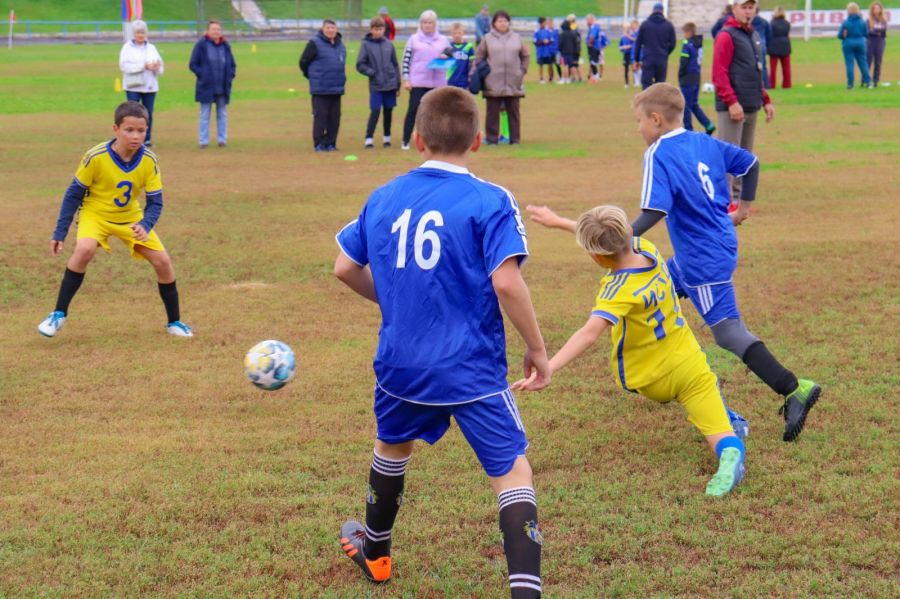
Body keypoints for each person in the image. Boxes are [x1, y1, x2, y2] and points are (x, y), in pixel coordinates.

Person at [335, 86, 549, 597]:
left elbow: (344, 267)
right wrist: (538, 349)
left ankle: (377, 554)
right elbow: (505, 281)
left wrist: (396, 304)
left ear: (416, 138)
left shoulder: (383, 195)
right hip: (470, 365)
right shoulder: (491, 199)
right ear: (478, 140)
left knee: (392, 444)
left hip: (401, 363)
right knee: (512, 472)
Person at [526, 84, 822, 443]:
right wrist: (742, 208)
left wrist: (617, 246)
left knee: (728, 334)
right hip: (710, 247)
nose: (638, 129)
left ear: (655, 119)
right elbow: (751, 163)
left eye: (638, 121)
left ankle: (793, 387)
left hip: (702, 260)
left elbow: (654, 210)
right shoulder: (704, 141)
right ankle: (657, 370)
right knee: (651, 285)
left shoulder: (658, 152)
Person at [514, 206, 746, 497]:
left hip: (651, 378)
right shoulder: (647, 249)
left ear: (596, 257)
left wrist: (548, 367)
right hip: (690, 360)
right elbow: (610, 238)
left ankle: (724, 418)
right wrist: (559, 220)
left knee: (686, 395)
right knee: (717, 431)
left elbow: (588, 334)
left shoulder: (618, 289)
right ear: (629, 232)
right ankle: (729, 450)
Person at [38, 101, 192, 338]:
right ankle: (58, 314)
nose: (136, 136)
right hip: (95, 214)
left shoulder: (150, 160)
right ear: (115, 129)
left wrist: (144, 225)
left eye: (141, 130)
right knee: (85, 249)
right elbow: (73, 195)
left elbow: (156, 202)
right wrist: (60, 232)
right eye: (129, 130)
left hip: (131, 218)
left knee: (162, 261)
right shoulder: (95, 157)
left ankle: (175, 322)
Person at [712, 0, 773, 203]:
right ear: (734, 9)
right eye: (744, 7)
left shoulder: (753, 35)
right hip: (733, 107)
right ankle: (724, 200)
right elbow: (719, 74)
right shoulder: (726, 36)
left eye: (751, 7)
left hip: (750, 103)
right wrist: (731, 102)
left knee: (745, 157)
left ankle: (737, 201)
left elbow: (757, 71)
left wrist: (765, 99)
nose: (748, 11)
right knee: (729, 155)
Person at [476, 10, 530, 145]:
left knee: (514, 112)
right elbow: (479, 57)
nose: (503, 23)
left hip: (513, 80)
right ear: (494, 23)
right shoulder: (487, 38)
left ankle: (515, 139)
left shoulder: (516, 37)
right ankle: (492, 139)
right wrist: (484, 72)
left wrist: (522, 71)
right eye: (500, 21)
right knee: (492, 112)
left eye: (505, 21)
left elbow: (525, 55)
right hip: (493, 81)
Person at [401, 10, 449, 151]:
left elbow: (451, 54)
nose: (427, 25)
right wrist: (406, 79)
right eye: (424, 22)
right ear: (421, 24)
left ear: (435, 24)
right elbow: (406, 60)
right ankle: (405, 140)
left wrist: (446, 56)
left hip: (437, 82)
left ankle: (436, 140)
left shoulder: (443, 40)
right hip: (418, 81)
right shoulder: (413, 39)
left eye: (430, 22)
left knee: (437, 112)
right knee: (414, 110)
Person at [300, 19, 347, 152]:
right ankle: (319, 144)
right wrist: (312, 76)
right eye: (328, 28)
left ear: (336, 29)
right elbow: (303, 61)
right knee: (320, 117)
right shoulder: (314, 43)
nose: (330, 30)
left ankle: (331, 143)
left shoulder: (340, 45)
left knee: (334, 118)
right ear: (323, 29)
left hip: (336, 87)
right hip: (320, 88)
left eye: (333, 28)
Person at [188, 20, 236, 149]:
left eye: (218, 29)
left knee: (222, 114)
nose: (216, 32)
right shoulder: (201, 45)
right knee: (204, 114)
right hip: (206, 86)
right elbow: (193, 64)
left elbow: (232, 64)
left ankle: (222, 139)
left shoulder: (225, 45)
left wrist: (230, 76)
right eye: (214, 29)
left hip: (222, 86)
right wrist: (203, 75)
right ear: (208, 31)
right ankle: (203, 141)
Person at [357, 16, 400, 149]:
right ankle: (369, 138)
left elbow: (395, 64)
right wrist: (372, 72)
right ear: (371, 30)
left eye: (381, 29)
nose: (378, 32)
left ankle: (387, 137)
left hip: (390, 85)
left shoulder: (389, 44)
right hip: (376, 85)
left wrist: (397, 84)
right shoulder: (366, 44)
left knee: (388, 112)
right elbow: (360, 64)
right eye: (376, 29)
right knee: (375, 111)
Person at [119, 20, 163, 147]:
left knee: (148, 113)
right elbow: (124, 66)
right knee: (132, 113)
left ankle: (147, 139)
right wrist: (142, 66)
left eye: (142, 32)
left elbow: (161, 68)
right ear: (134, 33)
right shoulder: (127, 48)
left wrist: (156, 66)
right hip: (133, 85)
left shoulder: (152, 48)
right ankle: (130, 138)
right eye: (138, 32)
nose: (140, 35)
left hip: (149, 86)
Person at [679, 22, 715, 134]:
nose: (683, 35)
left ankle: (688, 130)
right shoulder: (698, 44)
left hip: (688, 78)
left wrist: (680, 74)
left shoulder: (687, 44)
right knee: (693, 104)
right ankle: (708, 124)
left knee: (686, 105)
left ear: (689, 32)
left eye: (684, 32)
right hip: (696, 77)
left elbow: (684, 62)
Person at [634, 3, 677, 89]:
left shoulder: (645, 24)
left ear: (652, 11)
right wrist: (665, 52)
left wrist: (637, 59)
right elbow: (673, 43)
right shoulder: (668, 25)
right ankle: (659, 102)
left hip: (648, 57)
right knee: (660, 85)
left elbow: (638, 43)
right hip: (661, 58)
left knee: (646, 84)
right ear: (662, 11)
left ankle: (646, 102)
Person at [838, 3, 872, 89]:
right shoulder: (862, 21)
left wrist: (844, 36)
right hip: (860, 42)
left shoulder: (845, 22)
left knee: (850, 64)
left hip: (848, 42)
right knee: (863, 63)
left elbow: (840, 35)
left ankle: (850, 84)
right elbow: (866, 33)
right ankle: (868, 82)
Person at [442, 23, 475, 89]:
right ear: (451, 34)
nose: (457, 35)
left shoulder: (469, 47)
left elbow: (473, 64)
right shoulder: (448, 46)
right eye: (455, 33)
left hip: (464, 80)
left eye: (459, 33)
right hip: (451, 80)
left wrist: (471, 77)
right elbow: (443, 61)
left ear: (463, 33)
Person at [768, 6, 792, 88]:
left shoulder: (772, 23)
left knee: (773, 68)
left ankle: (772, 84)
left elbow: (770, 34)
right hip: (785, 45)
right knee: (786, 68)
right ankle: (787, 84)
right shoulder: (787, 23)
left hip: (774, 45)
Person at [867, 2, 887, 87]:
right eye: (874, 8)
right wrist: (877, 33)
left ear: (880, 10)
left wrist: (876, 32)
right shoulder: (868, 20)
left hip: (880, 42)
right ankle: (865, 80)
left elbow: (884, 33)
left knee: (878, 62)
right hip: (870, 42)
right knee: (868, 61)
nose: (876, 10)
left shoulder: (883, 20)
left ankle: (876, 80)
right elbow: (868, 32)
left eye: (878, 8)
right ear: (872, 10)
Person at [752, 5, 772, 89]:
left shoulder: (749, 21)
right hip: (762, 45)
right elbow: (769, 34)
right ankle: (766, 85)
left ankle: (756, 85)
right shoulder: (764, 21)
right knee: (763, 66)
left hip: (751, 44)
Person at [586, 14, 609, 82]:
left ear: (592, 20)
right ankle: (594, 77)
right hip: (596, 47)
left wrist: (589, 43)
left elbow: (592, 36)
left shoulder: (594, 27)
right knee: (593, 62)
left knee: (594, 62)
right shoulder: (595, 27)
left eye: (588, 20)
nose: (587, 22)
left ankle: (596, 77)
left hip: (594, 47)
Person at [558, 18, 582, 83]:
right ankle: (573, 78)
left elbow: (560, 43)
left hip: (564, 52)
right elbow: (576, 43)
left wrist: (560, 49)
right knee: (572, 65)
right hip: (572, 52)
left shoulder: (562, 34)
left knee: (565, 65)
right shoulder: (573, 33)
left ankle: (565, 79)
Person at [534, 17, 555, 84]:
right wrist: (543, 41)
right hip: (540, 52)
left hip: (547, 52)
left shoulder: (547, 31)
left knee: (549, 65)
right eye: (544, 22)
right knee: (541, 65)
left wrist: (548, 41)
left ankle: (550, 78)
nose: (545, 24)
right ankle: (541, 79)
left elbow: (552, 40)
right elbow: (535, 42)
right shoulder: (536, 32)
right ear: (541, 23)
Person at [619, 22, 637, 87]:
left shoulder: (633, 35)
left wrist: (630, 46)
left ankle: (635, 82)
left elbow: (636, 42)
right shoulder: (622, 37)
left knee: (634, 68)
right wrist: (623, 47)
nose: (627, 29)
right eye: (626, 28)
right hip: (626, 54)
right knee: (626, 69)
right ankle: (626, 83)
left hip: (632, 54)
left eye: (628, 28)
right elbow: (620, 47)